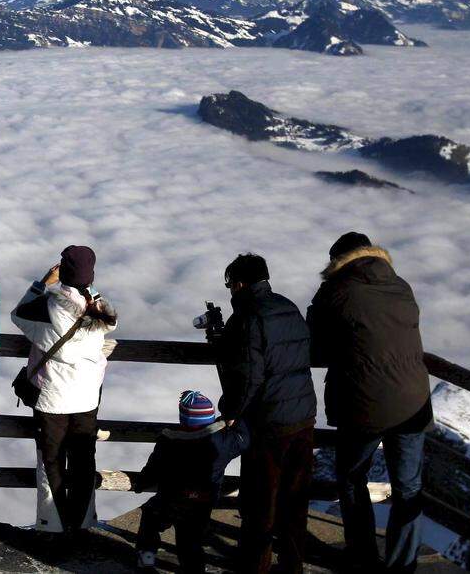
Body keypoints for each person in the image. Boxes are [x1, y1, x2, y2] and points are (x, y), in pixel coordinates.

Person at [307, 232, 432, 573]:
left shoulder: (335, 291)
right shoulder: (400, 285)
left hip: (365, 401)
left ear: (338, 262)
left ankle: (362, 555)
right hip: (413, 401)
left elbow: (315, 347)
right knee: (408, 487)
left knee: (351, 476)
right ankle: (402, 565)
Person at [215, 253, 317, 573]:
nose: (230, 290)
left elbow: (250, 377)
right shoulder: (289, 307)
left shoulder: (248, 317)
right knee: (295, 500)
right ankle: (293, 566)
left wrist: (230, 410)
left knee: (261, 503)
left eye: (230, 283)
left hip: (269, 423)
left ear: (241, 283)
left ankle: (254, 567)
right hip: (303, 415)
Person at [11, 245, 118, 535]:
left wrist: (41, 283)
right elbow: (110, 321)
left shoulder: (47, 306)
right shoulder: (99, 309)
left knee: (52, 463)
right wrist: (87, 288)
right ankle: (83, 524)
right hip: (87, 397)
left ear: (63, 271)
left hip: (52, 398)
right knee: (84, 461)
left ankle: (52, 527)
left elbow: (18, 314)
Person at [133, 391, 250, 572]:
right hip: (201, 503)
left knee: (150, 521)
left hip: (169, 498)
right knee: (190, 543)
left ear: (183, 420)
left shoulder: (168, 441)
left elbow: (154, 468)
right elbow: (244, 437)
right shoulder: (224, 441)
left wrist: (141, 483)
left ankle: (146, 562)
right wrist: (230, 417)